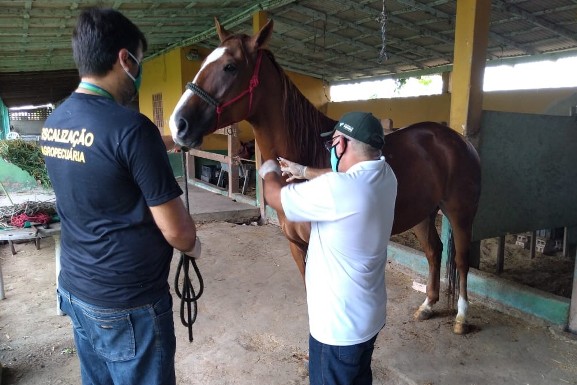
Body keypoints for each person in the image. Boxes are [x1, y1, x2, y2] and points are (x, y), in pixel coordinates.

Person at [39, 8, 199, 385]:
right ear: (125, 59)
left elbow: (102, 154)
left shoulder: (55, 122)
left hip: (76, 289)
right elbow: (179, 232)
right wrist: (194, 247)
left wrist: (163, 144)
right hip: (129, 304)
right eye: (139, 62)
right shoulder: (132, 128)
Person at [258, 112, 398, 385]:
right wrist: (302, 171)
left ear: (342, 144)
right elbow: (342, 176)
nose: (332, 150)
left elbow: (276, 197)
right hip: (368, 319)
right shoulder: (386, 174)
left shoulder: (340, 189)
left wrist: (268, 169)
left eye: (332, 143)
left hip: (337, 330)